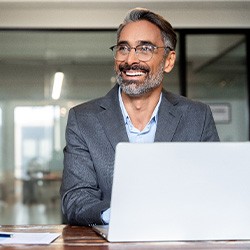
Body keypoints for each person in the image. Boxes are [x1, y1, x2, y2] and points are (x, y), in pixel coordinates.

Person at [60, 7, 220, 226]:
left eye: (144, 49)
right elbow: (75, 198)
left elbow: (213, 189)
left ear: (169, 60)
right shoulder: (83, 119)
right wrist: (119, 217)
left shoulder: (197, 117)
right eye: (123, 48)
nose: (130, 59)